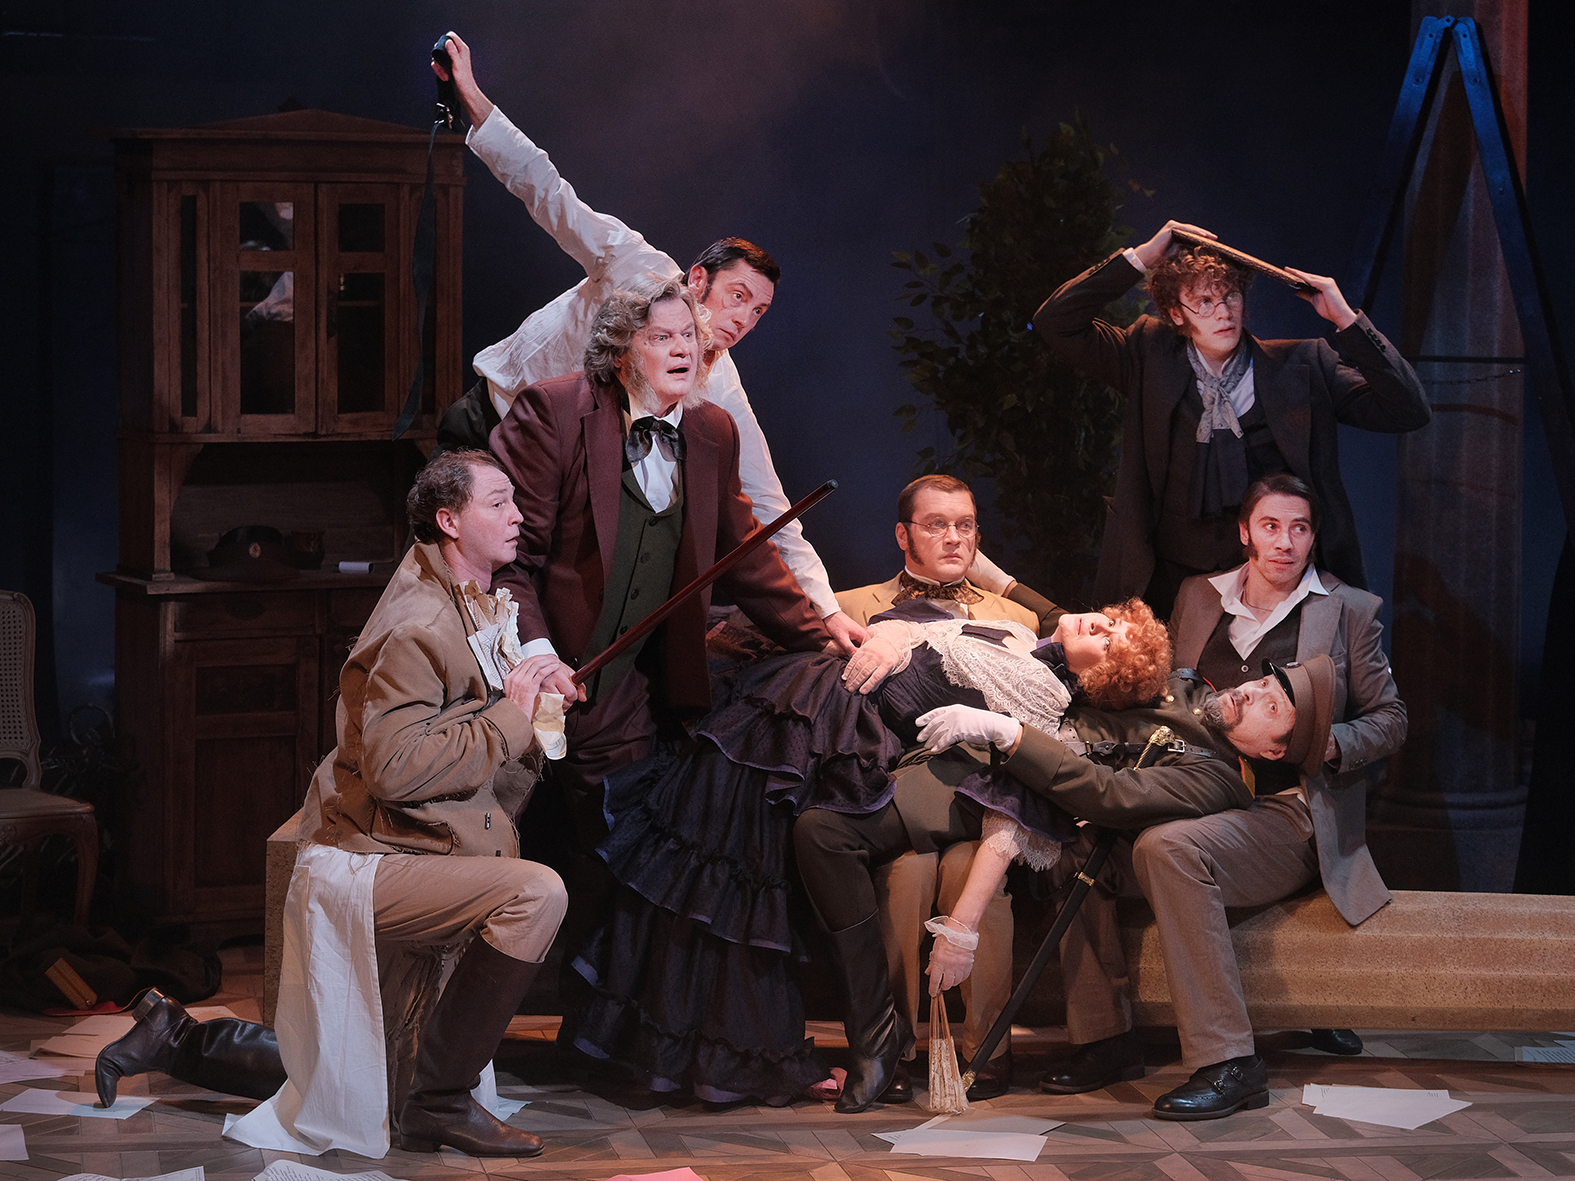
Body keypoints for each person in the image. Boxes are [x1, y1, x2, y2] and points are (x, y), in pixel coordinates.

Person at [97, 451, 569, 1159]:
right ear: (448, 520)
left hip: (412, 843)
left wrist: (535, 699)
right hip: (365, 861)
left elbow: (470, 733)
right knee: (535, 893)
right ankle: (438, 1100)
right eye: (498, 503)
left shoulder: (467, 597)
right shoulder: (419, 622)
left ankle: (176, 1037)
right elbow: (395, 767)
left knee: (365, 1072)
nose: (517, 516)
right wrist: (510, 716)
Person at [430, 32, 866, 655]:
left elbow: (768, 501)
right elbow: (549, 193)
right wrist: (473, 99)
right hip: (491, 427)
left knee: (535, 619)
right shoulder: (636, 264)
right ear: (696, 280)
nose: (744, 319)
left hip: (564, 478)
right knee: (455, 602)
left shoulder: (716, 380)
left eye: (760, 311)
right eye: (737, 296)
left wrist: (826, 610)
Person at [1036, 474, 1405, 1121]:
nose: (1285, 542)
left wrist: (1316, 741)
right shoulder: (1199, 595)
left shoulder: (1349, 609)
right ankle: (1104, 1038)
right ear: (1245, 532)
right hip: (1189, 782)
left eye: (1300, 528)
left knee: (1168, 847)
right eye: (1271, 526)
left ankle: (1230, 1061)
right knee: (1071, 841)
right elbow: (1163, 690)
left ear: (1314, 536)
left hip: (1285, 807)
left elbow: (1391, 718)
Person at [487, 279, 830, 835]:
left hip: (629, 691)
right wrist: (539, 655)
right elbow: (506, 559)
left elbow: (745, 555)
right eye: (661, 337)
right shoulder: (554, 411)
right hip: (532, 673)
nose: (683, 350)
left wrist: (823, 635)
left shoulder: (713, 429)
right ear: (620, 353)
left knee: (615, 844)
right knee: (503, 834)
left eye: (689, 335)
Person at [1034, 220, 1430, 617]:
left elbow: (1407, 409)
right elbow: (1056, 322)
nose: (1223, 313)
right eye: (1205, 302)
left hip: (1274, 586)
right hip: (1167, 583)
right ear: (1176, 313)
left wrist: (1346, 319)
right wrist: (1143, 257)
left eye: (1231, 297)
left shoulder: (1302, 364)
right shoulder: (1148, 354)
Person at [832, 473, 1067, 1101]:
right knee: (906, 878)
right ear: (902, 535)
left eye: (965, 525)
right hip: (894, 786)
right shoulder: (854, 606)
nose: (954, 538)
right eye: (936, 524)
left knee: (975, 878)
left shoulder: (1014, 616)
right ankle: (892, 1047)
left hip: (986, 790)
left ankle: (986, 1049)